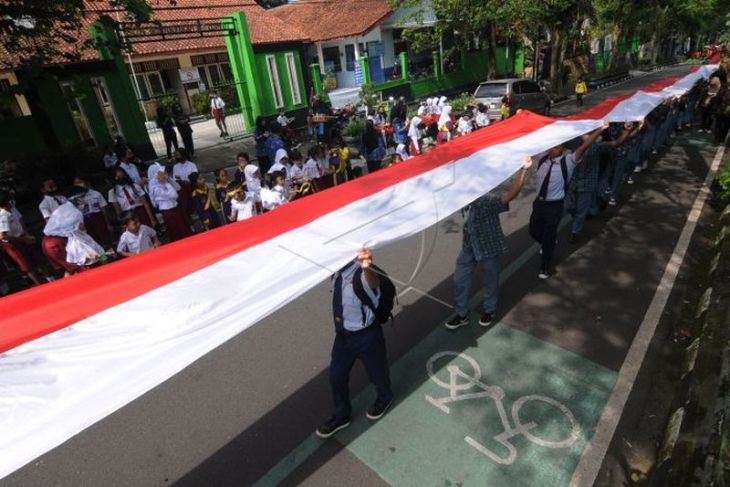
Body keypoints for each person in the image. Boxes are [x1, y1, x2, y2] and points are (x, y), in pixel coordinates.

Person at [446, 157, 532, 329]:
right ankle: (462, 314)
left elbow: (511, 194)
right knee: (460, 279)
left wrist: (524, 169)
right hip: (469, 246)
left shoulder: (486, 201)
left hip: (488, 246)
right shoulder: (463, 203)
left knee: (490, 279)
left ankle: (489, 309)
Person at [316, 248, 393, 438]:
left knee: (378, 373)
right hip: (343, 336)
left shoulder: (361, 275)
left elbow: (372, 283)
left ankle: (385, 397)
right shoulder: (336, 274)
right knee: (336, 376)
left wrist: (366, 265)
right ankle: (342, 414)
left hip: (367, 335)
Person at [529, 121, 609, 279]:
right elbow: (532, 142)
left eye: (557, 147)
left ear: (563, 149)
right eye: (551, 146)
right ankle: (548, 243)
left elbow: (584, 146)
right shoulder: (542, 158)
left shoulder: (568, 162)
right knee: (533, 230)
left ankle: (545, 267)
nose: (552, 149)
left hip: (554, 205)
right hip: (539, 203)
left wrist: (600, 130)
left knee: (549, 235)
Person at [0, 190, 44, 285]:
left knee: (34, 259)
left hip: (22, 237)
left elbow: (20, 219)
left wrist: (25, 234)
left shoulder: (12, 209)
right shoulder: (3, 216)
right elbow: (3, 236)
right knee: (26, 266)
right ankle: (39, 284)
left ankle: (48, 278)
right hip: (13, 243)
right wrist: (23, 239)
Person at [149, 164, 191, 241]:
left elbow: (178, 187)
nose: (164, 174)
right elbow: (173, 195)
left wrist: (169, 179)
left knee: (185, 231)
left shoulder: (165, 181)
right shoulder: (155, 188)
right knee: (176, 234)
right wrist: (166, 182)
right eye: (161, 173)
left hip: (175, 209)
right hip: (168, 213)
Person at [72, 175, 112, 248]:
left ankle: (111, 256)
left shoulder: (96, 194)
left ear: (87, 183)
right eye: (76, 183)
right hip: (84, 221)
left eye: (80, 182)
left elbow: (104, 209)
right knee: (93, 241)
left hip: (97, 218)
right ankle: (101, 258)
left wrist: (108, 223)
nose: (78, 185)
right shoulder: (74, 198)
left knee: (104, 239)